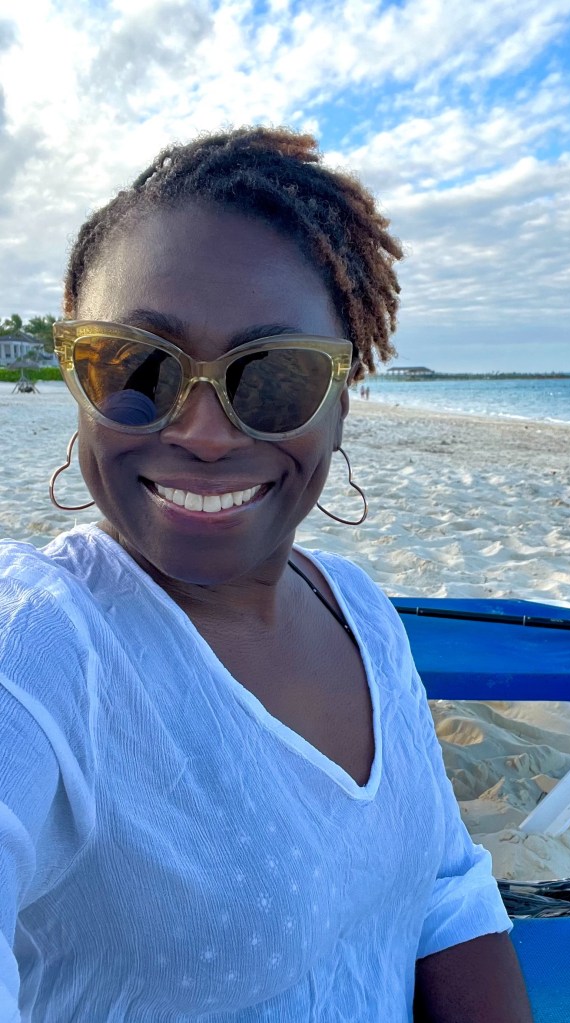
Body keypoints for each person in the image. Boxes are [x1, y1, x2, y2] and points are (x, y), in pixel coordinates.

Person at [0, 127, 533, 1021]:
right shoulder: (42, 642)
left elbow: (447, 889)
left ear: (339, 404)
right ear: (77, 381)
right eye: (136, 367)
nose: (204, 432)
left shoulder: (359, 610)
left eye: (275, 377)